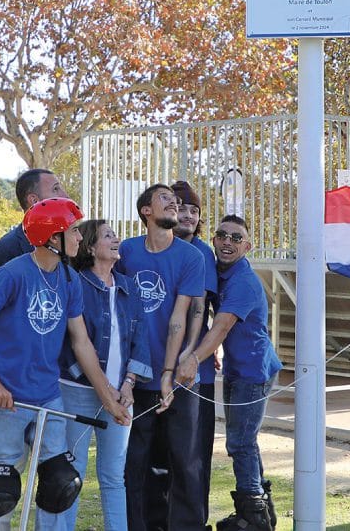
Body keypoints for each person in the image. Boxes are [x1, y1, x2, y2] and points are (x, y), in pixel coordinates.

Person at [0, 198, 129, 530]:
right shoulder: (13, 273)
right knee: (0, 490)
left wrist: (108, 396)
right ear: (54, 238)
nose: (80, 238)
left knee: (60, 484)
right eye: (74, 232)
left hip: (49, 396)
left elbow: (81, 342)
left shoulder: (69, 279)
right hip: (6, 397)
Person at [41, 219, 151, 530]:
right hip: (77, 392)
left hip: (121, 394)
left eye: (115, 235)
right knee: (71, 473)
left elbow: (140, 340)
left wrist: (129, 384)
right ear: (90, 247)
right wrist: (100, 386)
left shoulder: (129, 286)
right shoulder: (75, 283)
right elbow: (70, 343)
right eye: (107, 236)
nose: (117, 240)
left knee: (114, 475)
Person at [176, 215, 282, 531]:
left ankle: (253, 516)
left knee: (240, 442)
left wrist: (194, 358)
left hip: (254, 372)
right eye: (222, 235)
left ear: (247, 246)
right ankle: (261, 508)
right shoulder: (223, 274)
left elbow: (221, 327)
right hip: (238, 368)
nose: (227, 242)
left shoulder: (243, 281)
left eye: (236, 238)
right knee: (244, 441)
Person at [116, 183, 205, 531]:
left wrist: (169, 371)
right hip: (132, 378)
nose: (175, 205)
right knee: (134, 461)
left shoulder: (191, 257)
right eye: (165, 199)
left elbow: (180, 317)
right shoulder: (126, 251)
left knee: (183, 460)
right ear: (146, 211)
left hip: (173, 376)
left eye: (177, 201)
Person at [142, 180, 220, 529]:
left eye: (193, 210)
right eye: (179, 206)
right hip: (146, 371)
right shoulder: (138, 250)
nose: (186, 214)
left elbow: (201, 312)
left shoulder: (199, 254)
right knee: (152, 459)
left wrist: (196, 354)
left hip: (190, 375)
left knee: (189, 459)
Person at [0, 169, 68, 301]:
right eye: (56, 189)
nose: (65, 196)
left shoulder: (67, 247)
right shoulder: (6, 250)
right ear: (34, 200)